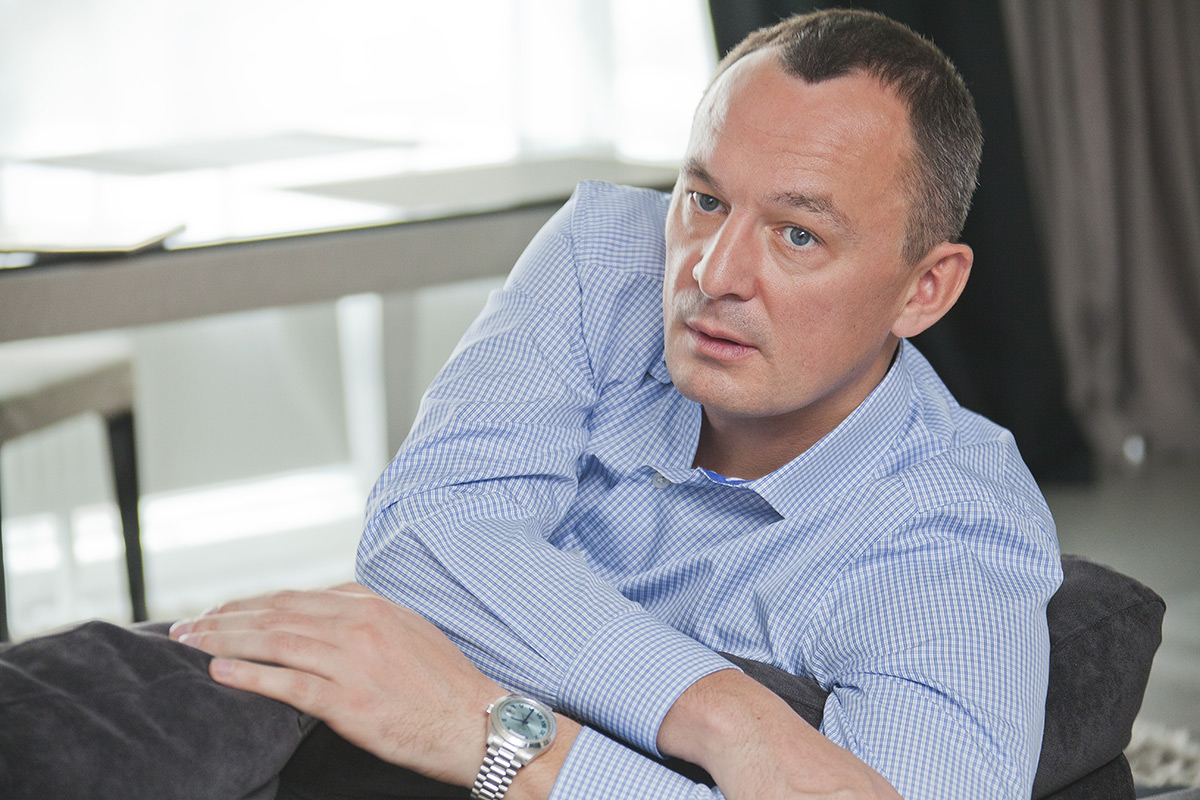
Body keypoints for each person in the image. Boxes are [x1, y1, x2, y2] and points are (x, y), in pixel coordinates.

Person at [167, 8, 1062, 799]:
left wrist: (492, 738)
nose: (712, 274)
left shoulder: (955, 529)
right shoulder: (607, 251)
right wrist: (729, 717)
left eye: (798, 234)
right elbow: (423, 530)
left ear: (925, 290)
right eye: (704, 199)